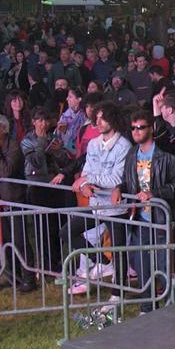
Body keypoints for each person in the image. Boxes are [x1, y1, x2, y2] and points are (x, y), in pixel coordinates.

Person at [116, 109, 175, 311]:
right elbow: (128, 183)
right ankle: (147, 307)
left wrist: (155, 193)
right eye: (133, 128)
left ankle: (174, 308)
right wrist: (119, 189)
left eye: (141, 127)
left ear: (151, 128)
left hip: (161, 220)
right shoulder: (132, 153)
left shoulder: (167, 155)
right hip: (140, 219)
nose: (136, 131)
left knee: (167, 266)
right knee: (143, 266)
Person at [69, 102, 131, 295]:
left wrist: (87, 179)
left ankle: (117, 294)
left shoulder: (124, 146)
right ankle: (103, 261)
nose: (98, 121)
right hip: (96, 204)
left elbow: (115, 179)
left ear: (112, 118)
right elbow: (87, 169)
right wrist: (84, 184)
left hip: (114, 208)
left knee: (119, 251)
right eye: (96, 118)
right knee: (68, 232)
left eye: (102, 118)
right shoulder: (94, 144)